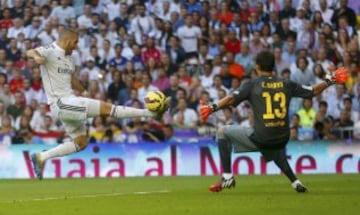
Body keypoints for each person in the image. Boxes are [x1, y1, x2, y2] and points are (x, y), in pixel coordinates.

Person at [26, 29, 169, 180]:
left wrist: (85, 92)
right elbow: (31, 51)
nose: (76, 46)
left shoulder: (68, 58)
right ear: (68, 40)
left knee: (81, 143)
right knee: (109, 109)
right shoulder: (50, 50)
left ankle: (41, 157)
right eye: (75, 42)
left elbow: (71, 77)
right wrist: (36, 57)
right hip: (60, 103)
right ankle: (150, 114)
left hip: (70, 101)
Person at [199, 51, 347, 193]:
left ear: (257, 67)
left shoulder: (252, 85)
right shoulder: (286, 83)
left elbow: (231, 99)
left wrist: (212, 107)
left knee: (222, 132)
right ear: (273, 66)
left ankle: (227, 177)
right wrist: (330, 80)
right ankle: (295, 181)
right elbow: (313, 91)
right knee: (273, 148)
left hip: (263, 136)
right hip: (283, 137)